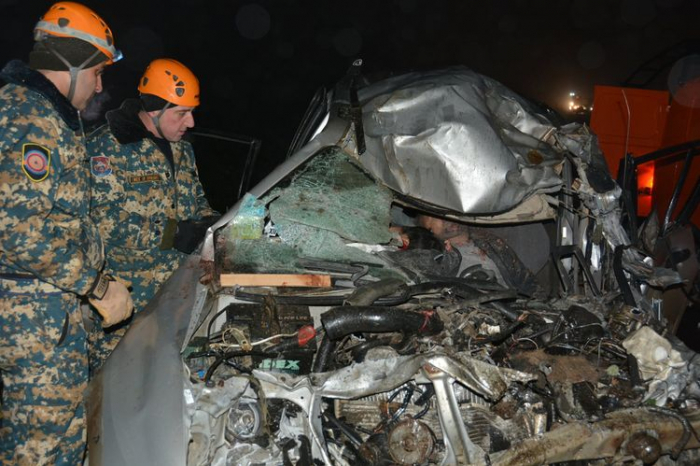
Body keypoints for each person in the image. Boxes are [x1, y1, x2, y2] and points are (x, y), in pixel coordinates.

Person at [0, 2, 133, 464]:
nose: (101, 84)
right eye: (97, 72)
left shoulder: (50, 116)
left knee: (63, 442)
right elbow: (15, 230)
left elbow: (60, 220)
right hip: (31, 318)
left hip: (51, 313)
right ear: (71, 64)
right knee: (41, 448)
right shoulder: (27, 117)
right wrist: (96, 286)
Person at [88, 58, 219, 370]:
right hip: (126, 305)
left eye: (192, 112)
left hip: (175, 299)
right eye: (181, 113)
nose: (190, 123)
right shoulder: (107, 148)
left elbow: (197, 203)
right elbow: (103, 221)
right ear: (154, 110)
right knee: (113, 392)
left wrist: (215, 225)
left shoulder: (182, 150)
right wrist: (174, 233)